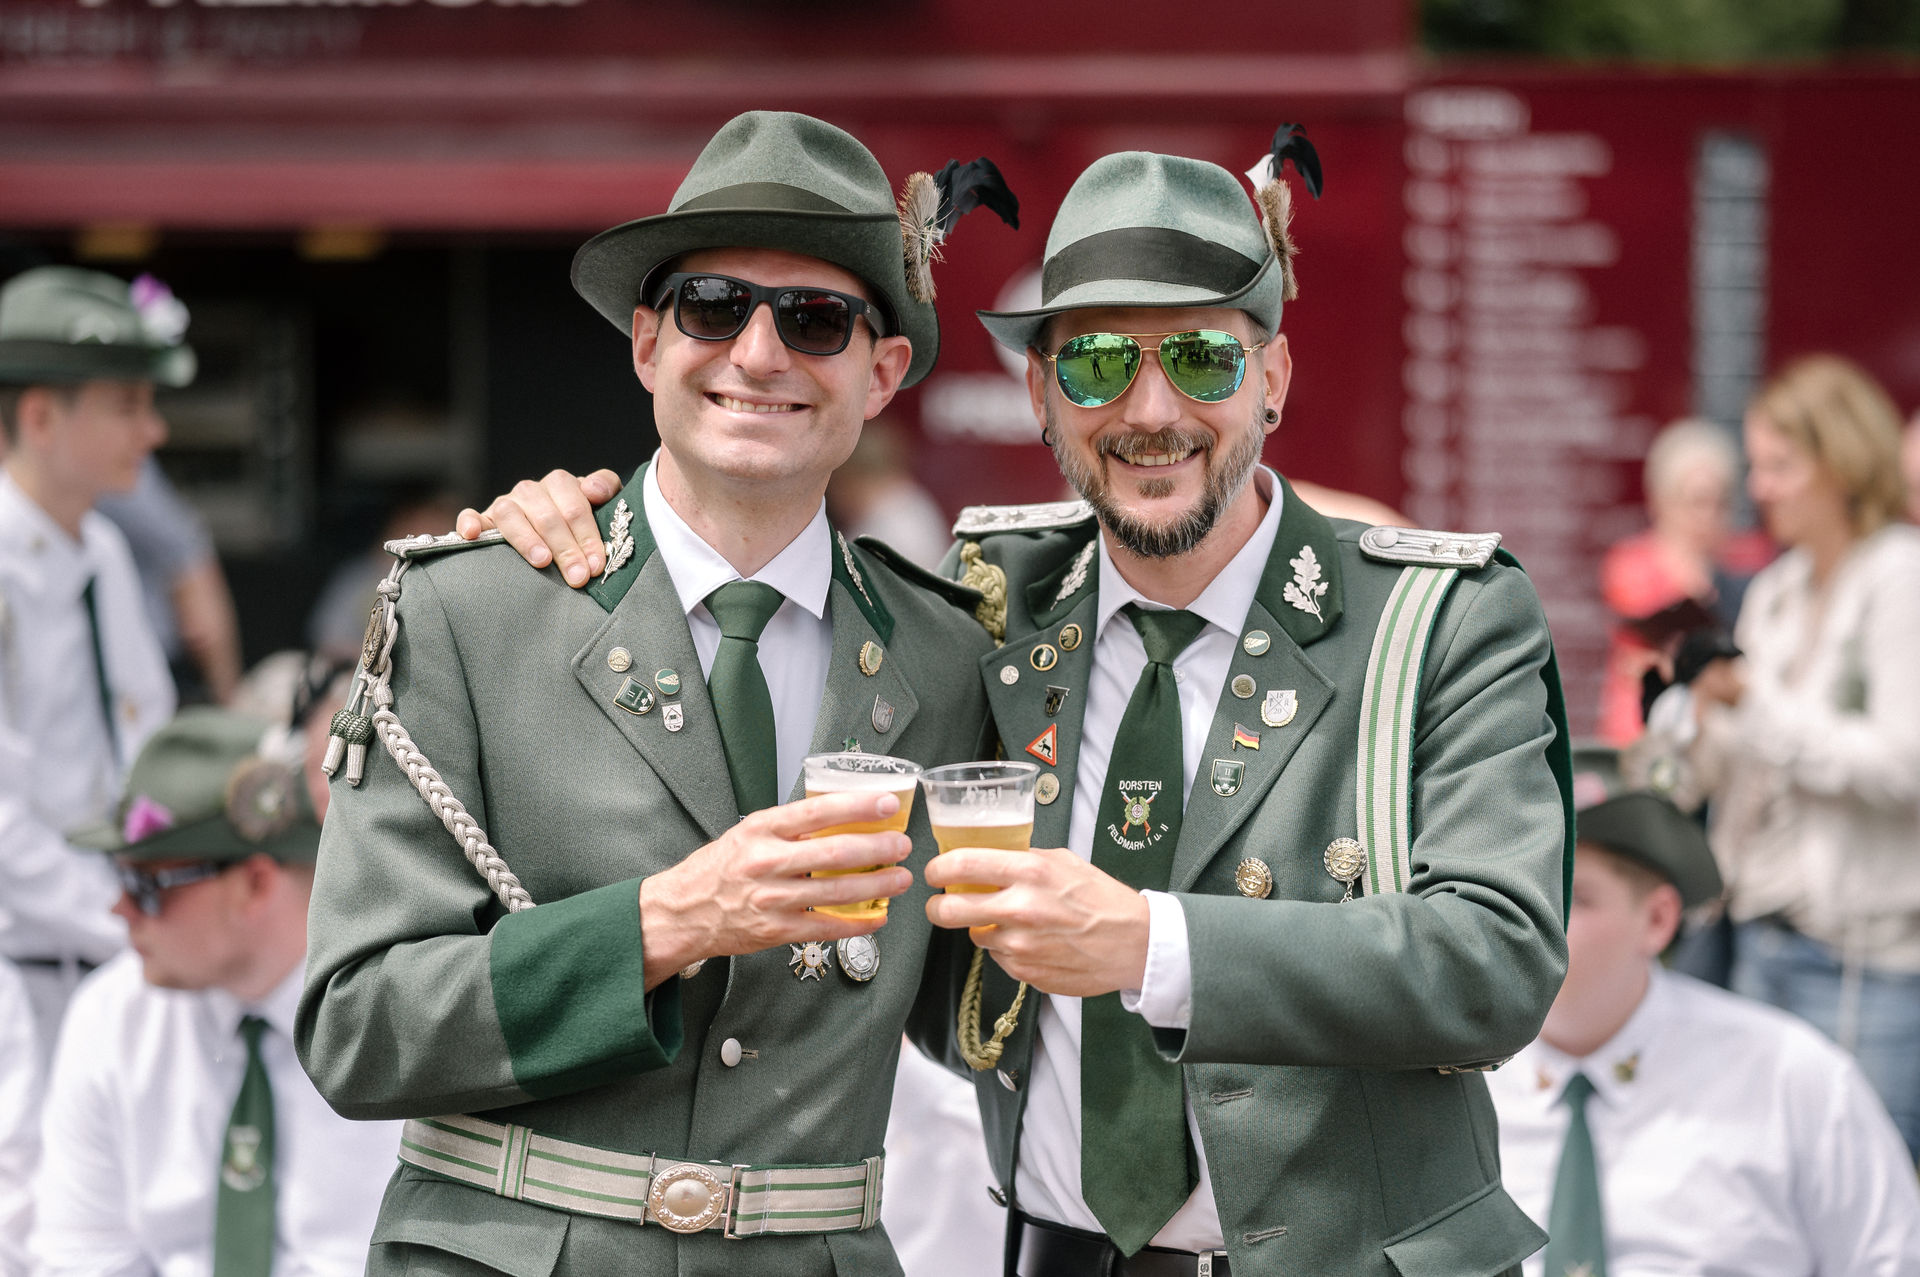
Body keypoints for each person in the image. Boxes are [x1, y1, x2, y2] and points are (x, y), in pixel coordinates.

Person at [479, 142, 1574, 1276]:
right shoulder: (983, 608)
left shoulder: (1433, 619)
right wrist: (566, 531)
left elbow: (1496, 961)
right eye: (1096, 363)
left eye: (1203, 359)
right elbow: (738, 555)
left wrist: (1146, 942)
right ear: (1041, 394)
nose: (1152, 409)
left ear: (1275, 379)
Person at [297, 111, 1008, 1276]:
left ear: (881, 373)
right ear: (647, 342)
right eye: (713, 307)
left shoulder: (949, 655)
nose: (759, 354)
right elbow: (358, 1025)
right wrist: (670, 919)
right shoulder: (472, 611)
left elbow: (984, 1011)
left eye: (816, 319)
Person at [31, 707, 402, 1275]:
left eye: (146, 885)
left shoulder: (398, 1017)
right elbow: (81, 1258)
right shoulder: (112, 1014)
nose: (118, 908)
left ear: (254, 884)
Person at [1490, 789, 1920, 1276]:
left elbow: (1888, 1261)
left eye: (1571, 898)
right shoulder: (1452, 1083)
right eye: (1513, 895)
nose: (1529, 923)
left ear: (1657, 919)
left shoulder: (1788, 1077)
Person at [1683, 354, 1920, 1157]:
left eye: (1781, 465)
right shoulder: (1778, 588)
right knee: (1763, 1186)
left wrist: (1751, 702)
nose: (1761, 488)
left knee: (1867, 1191)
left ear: (1842, 462)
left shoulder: (1901, 575)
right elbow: (1743, 762)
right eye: (1757, 465)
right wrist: (1688, 722)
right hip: (1759, 936)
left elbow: (1903, 765)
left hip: (1866, 960)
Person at [0, 265, 181, 1056]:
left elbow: (148, 744)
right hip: (21, 978)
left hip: (117, 963)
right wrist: (123, 922)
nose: (153, 431)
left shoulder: (103, 550)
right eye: (127, 406)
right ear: (40, 416)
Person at [1596, 418, 1771, 745]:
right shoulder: (1631, 564)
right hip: (1644, 732)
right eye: (1697, 502)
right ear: (1663, 501)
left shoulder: (1748, 560)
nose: (1708, 517)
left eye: (1721, 503)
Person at [97, 455, 245, 705]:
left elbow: (189, 564)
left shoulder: (104, 532)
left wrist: (228, 703)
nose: (155, 436)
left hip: (148, 675)